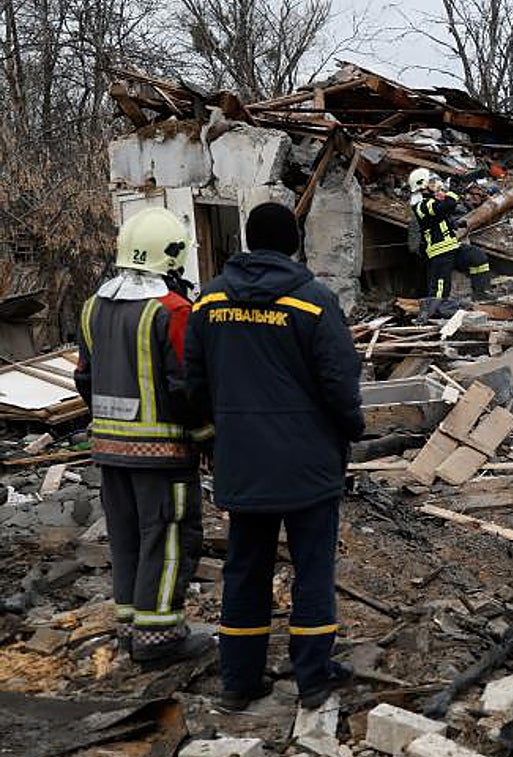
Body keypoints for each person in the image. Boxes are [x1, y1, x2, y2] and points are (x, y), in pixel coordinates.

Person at [185, 202, 365, 711]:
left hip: (242, 462)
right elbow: (339, 379)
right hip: (308, 463)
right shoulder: (312, 301)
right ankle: (312, 678)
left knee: (245, 569)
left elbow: (193, 381)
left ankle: (239, 681)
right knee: (311, 570)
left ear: (248, 240)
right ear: (293, 243)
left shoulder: (209, 301)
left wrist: (217, 437)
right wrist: (351, 429)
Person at [74, 207, 212, 665]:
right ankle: (160, 639)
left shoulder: (94, 306)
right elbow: (184, 388)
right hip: (163, 454)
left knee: (128, 538)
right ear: (172, 260)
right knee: (169, 538)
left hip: (109, 451)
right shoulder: (171, 311)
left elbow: (84, 379)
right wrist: (207, 437)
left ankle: (131, 625)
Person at [409, 168, 492, 315]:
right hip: (439, 251)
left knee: (478, 258)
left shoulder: (432, 202)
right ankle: (433, 314)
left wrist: (454, 224)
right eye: (432, 182)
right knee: (440, 288)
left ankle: (481, 294)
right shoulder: (421, 205)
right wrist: (454, 191)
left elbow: (438, 217)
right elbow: (447, 205)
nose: (435, 184)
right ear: (423, 186)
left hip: (452, 247)